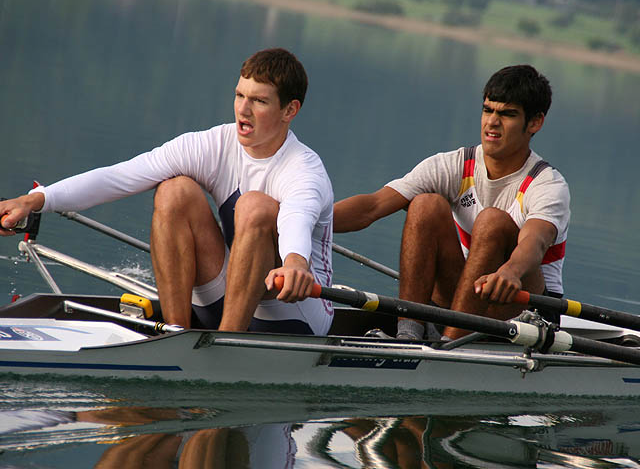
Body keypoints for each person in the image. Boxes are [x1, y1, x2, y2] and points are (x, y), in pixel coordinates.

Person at [0, 48, 334, 335]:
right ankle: (176, 334)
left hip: (292, 314)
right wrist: (33, 201)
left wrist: (295, 262)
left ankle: (226, 344)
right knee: (174, 191)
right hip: (227, 297)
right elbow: (121, 175)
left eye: (259, 101)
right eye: (239, 95)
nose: (243, 110)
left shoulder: (304, 170)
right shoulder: (213, 144)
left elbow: (297, 217)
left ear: (289, 110)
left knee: (254, 207)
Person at [334, 64, 569, 340]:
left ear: (535, 122)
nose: (492, 122)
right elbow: (372, 207)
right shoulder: (454, 165)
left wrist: (510, 271)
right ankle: (408, 334)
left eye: (507, 114)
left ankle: (448, 343)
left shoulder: (547, 184)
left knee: (492, 221)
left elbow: (535, 242)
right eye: (488, 110)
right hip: (466, 297)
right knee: (425, 205)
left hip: (528, 310)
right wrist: (302, 221)